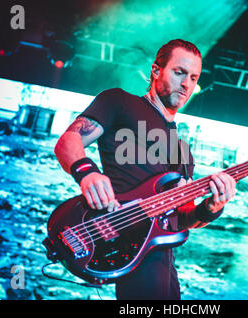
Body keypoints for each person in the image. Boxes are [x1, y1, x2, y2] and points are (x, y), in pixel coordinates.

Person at [54, 39, 236, 300]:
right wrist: (87, 173)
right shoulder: (119, 101)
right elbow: (67, 142)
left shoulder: (184, 153)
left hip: (159, 250)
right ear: (155, 70)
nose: (187, 84)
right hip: (119, 233)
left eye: (194, 77)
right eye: (179, 72)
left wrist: (212, 207)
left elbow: (183, 218)